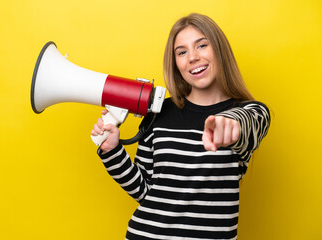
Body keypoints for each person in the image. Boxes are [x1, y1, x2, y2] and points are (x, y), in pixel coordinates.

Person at [91, 13, 270, 240]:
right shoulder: (159, 113)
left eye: (202, 45)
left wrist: (230, 126)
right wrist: (113, 151)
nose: (193, 57)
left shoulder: (251, 113)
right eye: (182, 52)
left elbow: (248, 123)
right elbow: (146, 191)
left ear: (220, 50)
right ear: (176, 63)